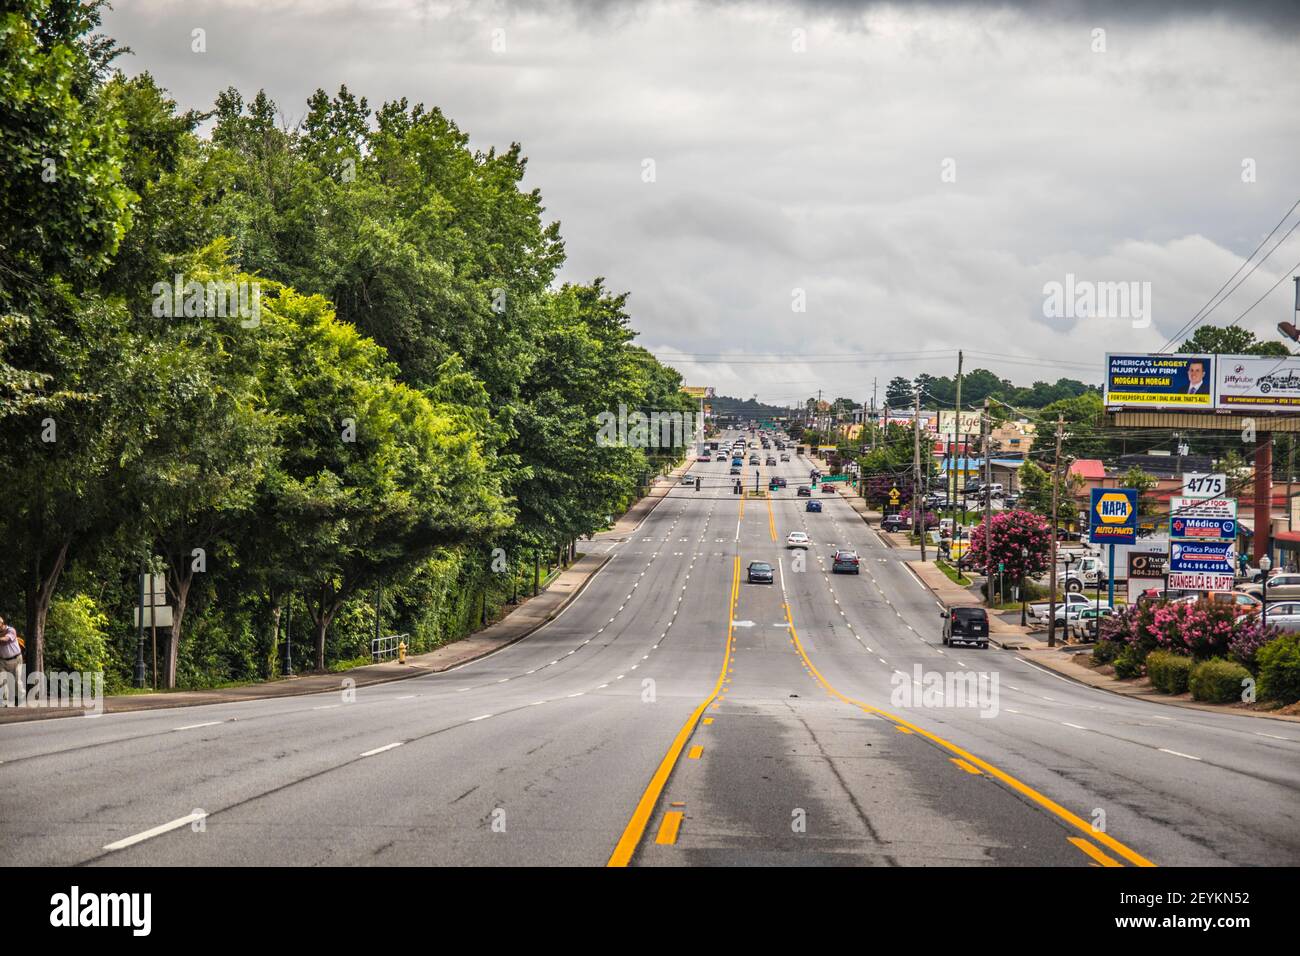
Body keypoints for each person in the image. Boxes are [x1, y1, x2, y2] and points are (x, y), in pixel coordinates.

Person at [0, 615, 23, 705]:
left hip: (16, 659)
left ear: (2, 624)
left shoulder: (11, 630)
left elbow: (5, 639)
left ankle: (19, 698)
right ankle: (3, 700)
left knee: (17, 680)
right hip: (2, 661)